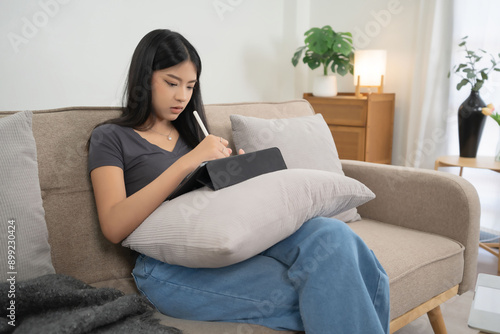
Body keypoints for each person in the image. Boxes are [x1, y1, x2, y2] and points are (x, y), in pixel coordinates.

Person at [88, 29, 390, 334]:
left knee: (331, 233)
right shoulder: (111, 137)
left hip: (230, 245)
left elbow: (215, 209)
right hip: (165, 270)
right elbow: (114, 225)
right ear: (144, 78)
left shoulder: (195, 134)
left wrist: (235, 174)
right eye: (171, 83)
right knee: (337, 287)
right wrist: (188, 162)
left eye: (190, 86)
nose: (182, 96)